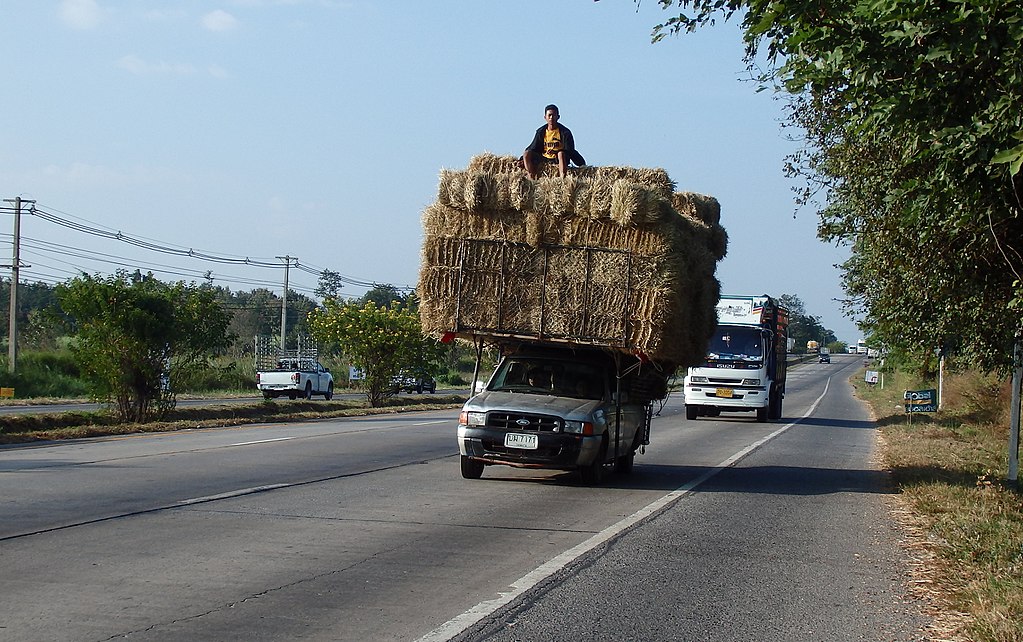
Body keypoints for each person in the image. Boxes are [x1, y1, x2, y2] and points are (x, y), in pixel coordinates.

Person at [523, 104, 585, 179]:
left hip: (558, 159)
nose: (551, 118)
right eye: (549, 115)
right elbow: (533, 147)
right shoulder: (541, 132)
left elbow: (570, 150)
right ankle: (532, 178)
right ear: (545, 117)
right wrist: (521, 159)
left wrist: (556, 152)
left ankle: (562, 179)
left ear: (558, 117)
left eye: (554, 115)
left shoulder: (565, 132)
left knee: (561, 154)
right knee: (526, 153)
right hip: (545, 158)